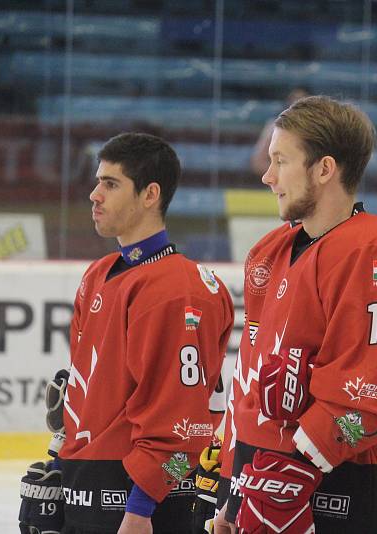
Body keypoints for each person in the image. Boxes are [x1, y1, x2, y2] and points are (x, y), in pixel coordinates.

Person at [214, 95, 377, 533]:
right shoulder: (269, 252)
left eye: (281, 161)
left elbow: (373, 391)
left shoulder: (372, 251)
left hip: (345, 485)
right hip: (265, 478)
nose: (268, 176)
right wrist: (233, 486)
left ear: (324, 169)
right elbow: (249, 379)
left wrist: (291, 468)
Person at [37, 133, 234, 534]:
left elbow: (185, 423)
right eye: (97, 182)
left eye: (110, 184)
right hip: (85, 479)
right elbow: (83, 391)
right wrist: (60, 467)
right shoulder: (98, 274)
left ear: (150, 195)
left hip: (134, 494)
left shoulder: (179, 288)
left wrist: (140, 507)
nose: (95, 194)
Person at [250, 87, 310, 176]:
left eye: (302, 102)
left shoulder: (317, 128)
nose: (298, 107)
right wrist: (284, 175)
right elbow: (258, 162)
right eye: (295, 101)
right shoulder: (274, 127)